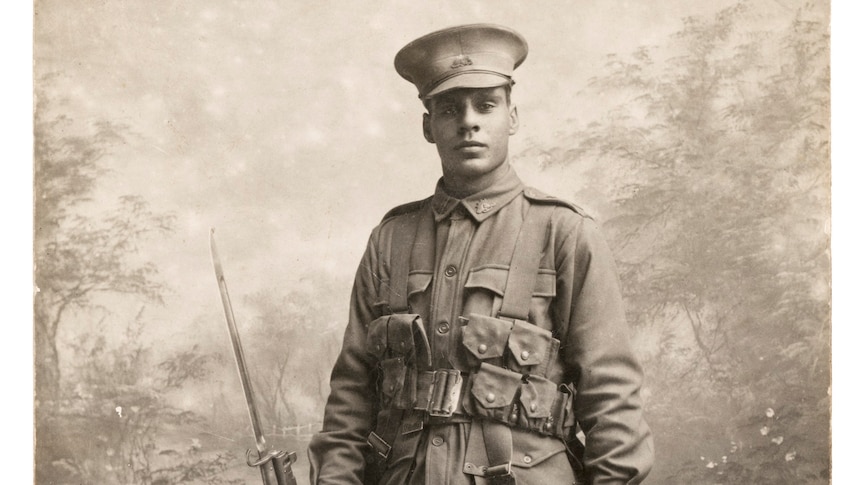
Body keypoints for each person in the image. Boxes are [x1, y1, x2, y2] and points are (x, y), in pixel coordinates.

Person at [308, 23, 653, 485]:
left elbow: (613, 403)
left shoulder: (564, 232)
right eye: (449, 109)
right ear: (428, 125)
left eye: (485, 105)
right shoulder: (390, 239)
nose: (468, 121)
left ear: (512, 116)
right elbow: (351, 397)